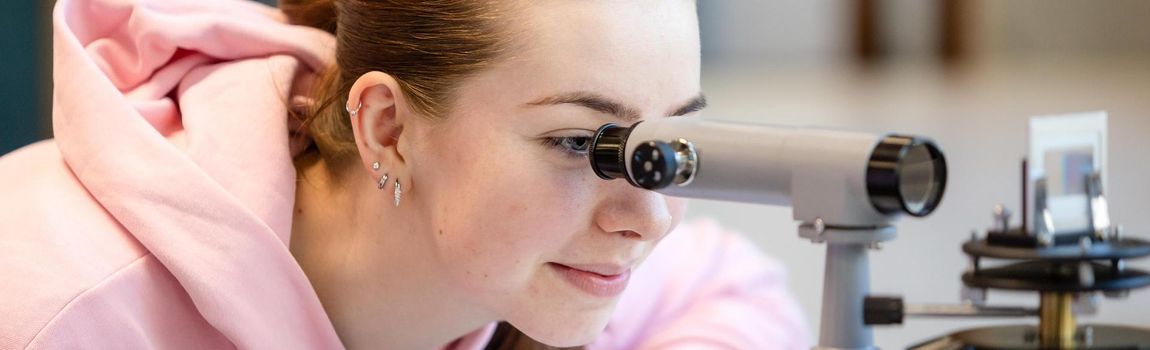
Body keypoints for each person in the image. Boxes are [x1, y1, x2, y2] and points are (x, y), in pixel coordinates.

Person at [0, 0, 808, 348]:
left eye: (661, 149)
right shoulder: (58, 312)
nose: (652, 218)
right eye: (580, 145)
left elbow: (737, 288)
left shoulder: (532, 267)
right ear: (388, 129)